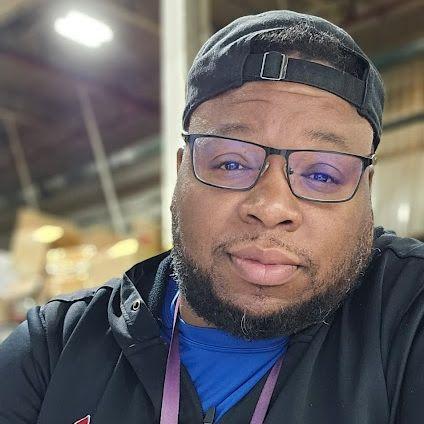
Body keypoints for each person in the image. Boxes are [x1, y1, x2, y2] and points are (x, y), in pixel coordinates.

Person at [0, 9, 423, 424]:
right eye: (231, 164)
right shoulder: (53, 348)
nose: (271, 208)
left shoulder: (408, 316)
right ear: (181, 171)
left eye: (323, 175)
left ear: (366, 192)